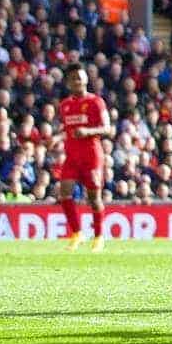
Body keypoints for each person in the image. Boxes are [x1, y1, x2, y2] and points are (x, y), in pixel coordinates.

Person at [58, 63, 115, 252]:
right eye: (73, 78)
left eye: (79, 78)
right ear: (68, 82)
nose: (77, 81)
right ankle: (76, 234)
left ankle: (98, 236)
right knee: (64, 192)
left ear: (86, 80)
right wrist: (56, 138)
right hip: (71, 157)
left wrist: (88, 131)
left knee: (94, 198)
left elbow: (107, 128)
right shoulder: (64, 105)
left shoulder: (96, 102)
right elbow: (66, 130)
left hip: (91, 156)